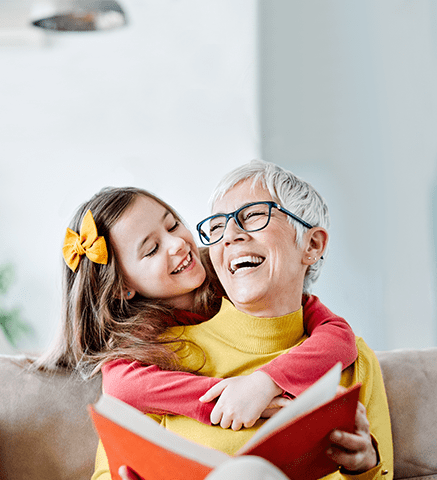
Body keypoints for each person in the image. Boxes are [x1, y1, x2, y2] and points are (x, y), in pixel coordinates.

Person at [91, 160, 393, 480]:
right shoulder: (158, 356)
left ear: (312, 245)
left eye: (252, 216)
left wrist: (364, 466)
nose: (231, 235)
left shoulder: (354, 359)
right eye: (218, 227)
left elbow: (383, 474)